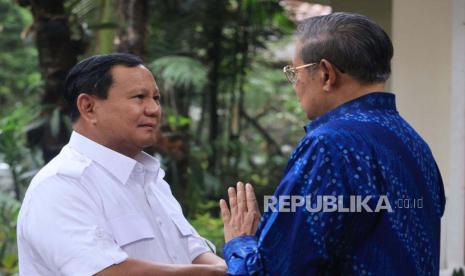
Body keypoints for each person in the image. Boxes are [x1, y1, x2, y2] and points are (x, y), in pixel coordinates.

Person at [219, 12, 446, 275]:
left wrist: (241, 242)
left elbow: (273, 270)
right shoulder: (414, 142)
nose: (295, 85)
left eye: (294, 72)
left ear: (326, 74)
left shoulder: (329, 146)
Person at [17, 53, 226, 275]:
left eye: (156, 98)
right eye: (139, 97)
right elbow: (107, 272)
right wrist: (213, 272)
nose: (154, 109)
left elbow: (193, 251)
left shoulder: (151, 179)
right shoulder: (60, 185)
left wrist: (227, 263)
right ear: (88, 107)